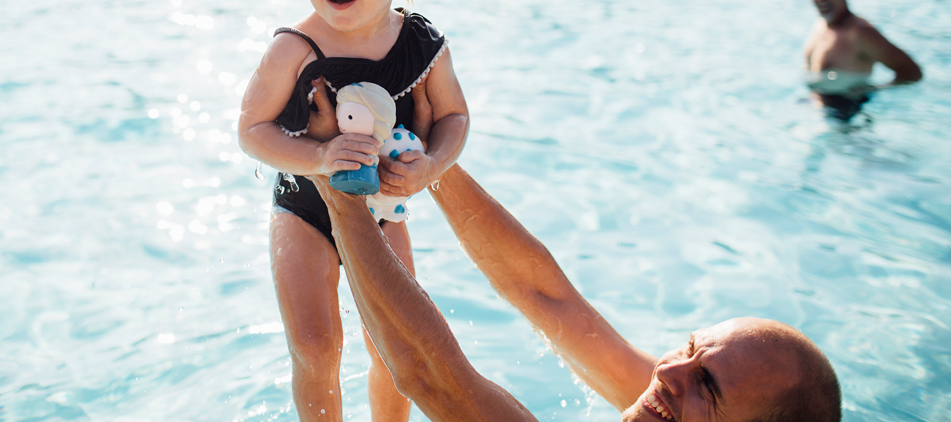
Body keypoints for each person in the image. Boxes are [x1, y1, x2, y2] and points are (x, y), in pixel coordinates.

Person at [300, 136, 842, 421]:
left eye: (708, 385)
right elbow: (545, 295)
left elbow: (427, 373)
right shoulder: (665, 400)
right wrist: (427, 163)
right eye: (690, 347)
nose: (671, 371)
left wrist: (341, 196)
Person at [238, 0, 469, 422]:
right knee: (316, 346)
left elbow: (455, 116)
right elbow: (251, 130)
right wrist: (318, 156)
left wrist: (431, 164)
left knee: (397, 348)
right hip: (304, 211)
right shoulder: (294, 50)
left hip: (386, 212)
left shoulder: (421, 44)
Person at [804, 0, 922, 120]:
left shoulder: (860, 33)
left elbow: (912, 72)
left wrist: (873, 90)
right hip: (817, 110)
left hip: (849, 122)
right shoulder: (820, 26)